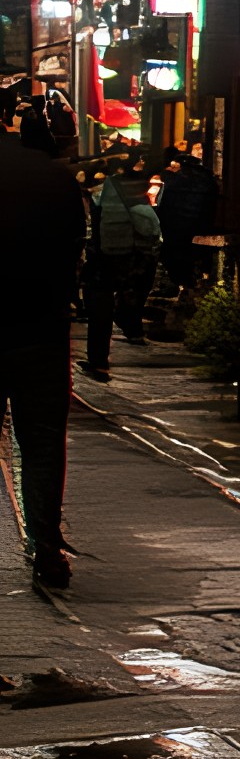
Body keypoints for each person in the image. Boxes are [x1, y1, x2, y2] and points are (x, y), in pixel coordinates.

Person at [1, 88, 90, 588]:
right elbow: (75, 252)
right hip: (41, 331)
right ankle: (47, 550)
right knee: (40, 445)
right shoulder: (57, 183)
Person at [82, 164, 159, 378]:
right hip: (127, 261)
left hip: (102, 262)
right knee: (117, 304)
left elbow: (94, 231)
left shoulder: (101, 198)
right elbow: (152, 233)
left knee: (99, 312)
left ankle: (98, 361)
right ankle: (102, 358)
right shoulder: (136, 204)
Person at [153, 151, 219, 331]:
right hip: (199, 231)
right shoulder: (209, 182)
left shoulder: (174, 182)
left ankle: (185, 289)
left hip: (174, 231)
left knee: (175, 261)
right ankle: (190, 291)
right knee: (194, 265)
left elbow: (163, 206)